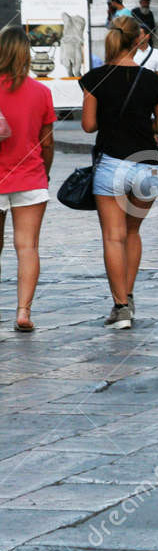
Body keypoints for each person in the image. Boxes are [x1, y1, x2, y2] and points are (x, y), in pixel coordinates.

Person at [78, 16, 158, 329]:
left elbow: (89, 125)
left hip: (111, 164)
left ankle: (120, 308)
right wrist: (143, 123)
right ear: (137, 41)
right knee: (133, 233)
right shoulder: (152, 80)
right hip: (146, 163)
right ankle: (129, 295)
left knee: (112, 237)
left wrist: (112, 119)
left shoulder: (95, 78)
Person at [0, 27, 55, 332]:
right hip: (30, 177)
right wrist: (44, 171)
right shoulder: (41, 92)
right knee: (27, 247)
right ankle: (23, 311)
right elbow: (47, 142)